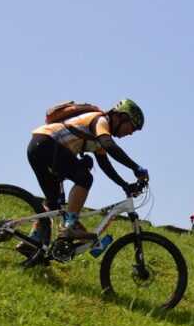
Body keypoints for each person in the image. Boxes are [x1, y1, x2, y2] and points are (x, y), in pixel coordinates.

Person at [28, 98, 148, 241]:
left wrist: (124, 185)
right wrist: (136, 168)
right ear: (122, 117)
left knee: (53, 203)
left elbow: (105, 165)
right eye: (131, 127)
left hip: (38, 146)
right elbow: (110, 146)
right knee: (84, 177)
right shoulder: (100, 121)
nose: (130, 133)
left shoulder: (98, 136)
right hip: (48, 144)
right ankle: (70, 226)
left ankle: (32, 244)